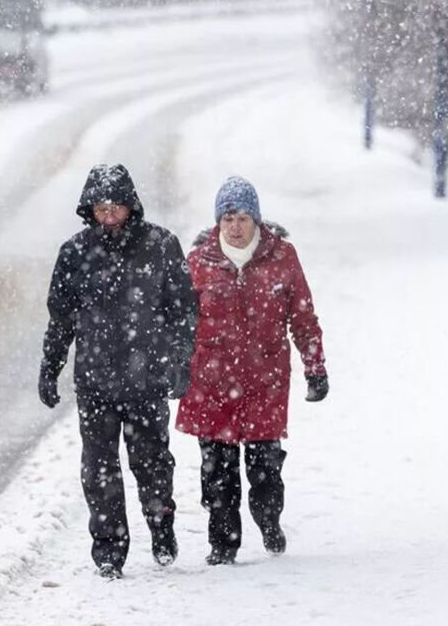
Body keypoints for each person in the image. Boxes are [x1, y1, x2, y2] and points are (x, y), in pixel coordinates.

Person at [38, 163, 198, 579]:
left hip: (147, 379)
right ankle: (109, 549)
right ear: (89, 210)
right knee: (99, 470)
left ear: (131, 206)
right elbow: (61, 319)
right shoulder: (75, 253)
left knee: (153, 464)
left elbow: (183, 311)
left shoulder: (161, 246)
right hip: (95, 382)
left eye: (115, 208)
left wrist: (180, 361)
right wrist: (50, 367)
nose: (108, 216)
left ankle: (161, 525)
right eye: (100, 209)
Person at [176, 175, 328, 566]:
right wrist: (173, 370)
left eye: (243, 218)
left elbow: (303, 317)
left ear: (256, 220)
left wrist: (315, 367)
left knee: (265, 473)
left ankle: (268, 520)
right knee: (217, 474)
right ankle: (223, 544)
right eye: (228, 218)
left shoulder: (282, 257)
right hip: (211, 383)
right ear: (218, 222)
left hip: (265, 381)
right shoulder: (198, 262)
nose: (235, 227)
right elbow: (179, 325)